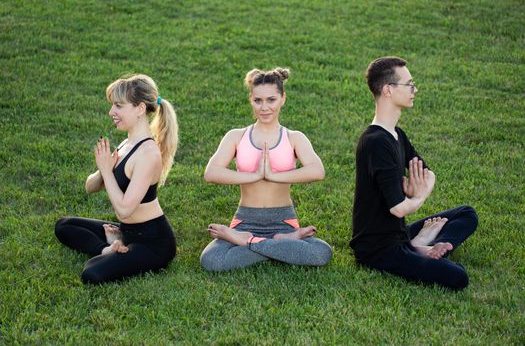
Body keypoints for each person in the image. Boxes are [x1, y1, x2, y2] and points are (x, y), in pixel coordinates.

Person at [350, 57, 478, 290]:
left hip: (398, 234)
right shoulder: (376, 142)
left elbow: (428, 174)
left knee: (466, 214)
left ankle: (427, 245)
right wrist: (416, 198)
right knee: (459, 276)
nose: (414, 89)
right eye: (409, 84)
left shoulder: (397, 135)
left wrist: (418, 190)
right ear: (388, 90)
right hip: (377, 248)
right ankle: (419, 247)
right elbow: (398, 208)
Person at [200, 68, 333, 272]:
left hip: (284, 222)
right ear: (250, 99)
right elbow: (211, 173)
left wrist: (272, 176)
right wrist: (254, 176)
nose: (264, 107)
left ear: (283, 99)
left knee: (321, 252)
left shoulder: (294, 137)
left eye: (271, 100)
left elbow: (317, 171)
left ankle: (250, 242)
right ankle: (280, 245)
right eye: (258, 100)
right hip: (244, 220)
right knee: (211, 260)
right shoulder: (236, 136)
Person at [55, 74, 178, 284]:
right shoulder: (125, 144)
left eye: (119, 106)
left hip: (153, 242)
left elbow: (124, 210)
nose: (111, 112)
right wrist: (102, 170)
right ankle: (109, 247)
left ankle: (114, 247)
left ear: (140, 109)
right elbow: (90, 187)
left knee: (91, 273)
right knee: (64, 225)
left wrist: (107, 170)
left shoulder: (148, 154)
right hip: (126, 230)